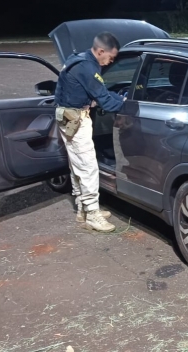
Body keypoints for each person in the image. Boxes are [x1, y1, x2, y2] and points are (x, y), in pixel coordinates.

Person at [55, 31, 126, 232]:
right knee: (87, 167)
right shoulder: (87, 68)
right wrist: (126, 103)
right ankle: (93, 215)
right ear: (101, 51)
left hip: (67, 117)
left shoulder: (76, 59)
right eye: (110, 57)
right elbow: (105, 99)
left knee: (76, 165)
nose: (109, 62)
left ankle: (83, 210)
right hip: (76, 119)